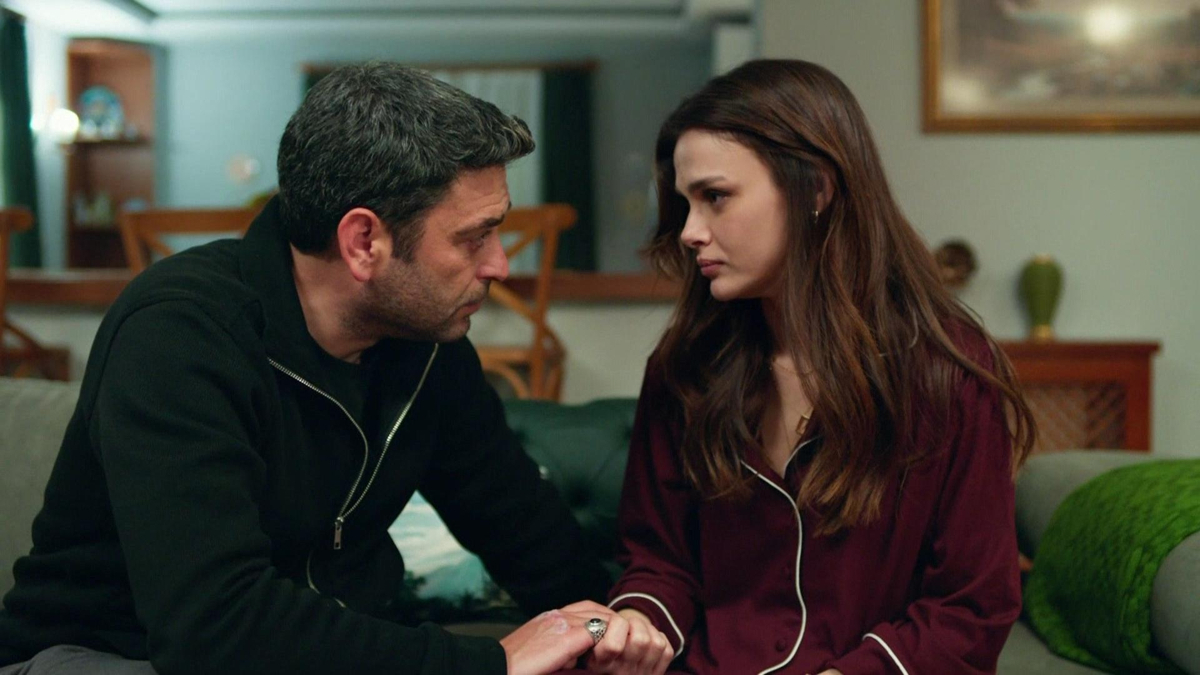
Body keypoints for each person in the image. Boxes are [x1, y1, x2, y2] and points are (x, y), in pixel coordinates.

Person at [0, 62, 665, 675]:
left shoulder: (427, 348)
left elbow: (524, 530)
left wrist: (615, 626)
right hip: (106, 653)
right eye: (473, 237)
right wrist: (490, 665)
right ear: (364, 241)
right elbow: (213, 626)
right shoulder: (180, 334)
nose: (499, 264)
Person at [603, 59, 1036, 674]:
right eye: (685, 203)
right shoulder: (684, 369)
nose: (690, 231)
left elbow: (970, 607)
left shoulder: (948, 373)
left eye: (715, 197)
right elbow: (659, 561)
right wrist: (636, 624)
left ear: (816, 190)